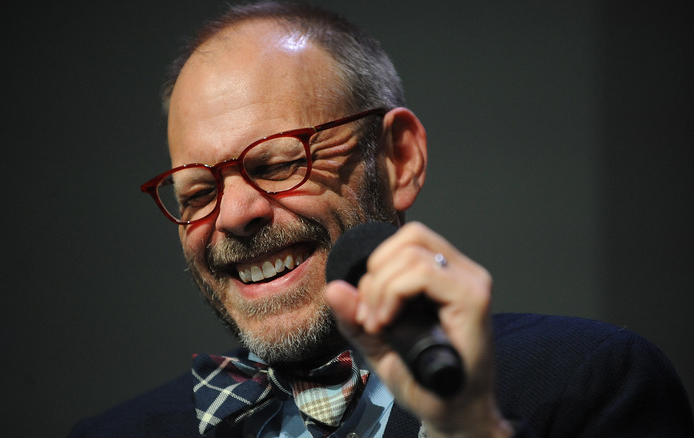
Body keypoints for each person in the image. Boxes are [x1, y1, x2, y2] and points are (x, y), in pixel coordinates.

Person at [69, 2, 694, 437]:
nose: (234, 215)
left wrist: (470, 430)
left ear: (398, 159)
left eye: (280, 161)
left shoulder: (587, 382)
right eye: (196, 190)